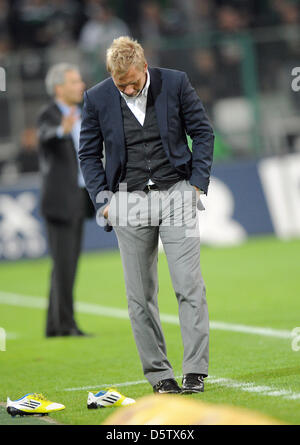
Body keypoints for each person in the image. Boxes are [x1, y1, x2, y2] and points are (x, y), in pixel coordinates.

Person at [79, 37, 214, 393]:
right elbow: (88, 154)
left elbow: (202, 132)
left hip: (176, 197)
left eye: (133, 82)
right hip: (127, 201)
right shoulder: (97, 97)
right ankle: (160, 376)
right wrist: (103, 201)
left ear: (144, 65)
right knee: (139, 297)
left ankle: (195, 370)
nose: (126, 88)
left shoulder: (176, 81)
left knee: (189, 286)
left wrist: (196, 184)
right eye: (119, 83)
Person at [37, 63, 94, 337]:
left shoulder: (81, 114)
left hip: (78, 198)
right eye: (74, 81)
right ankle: (65, 324)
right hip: (60, 201)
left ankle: (56, 324)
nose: (81, 85)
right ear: (59, 88)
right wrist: (62, 129)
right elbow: (45, 136)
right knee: (64, 264)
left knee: (66, 263)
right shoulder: (49, 115)